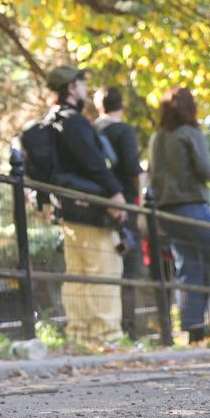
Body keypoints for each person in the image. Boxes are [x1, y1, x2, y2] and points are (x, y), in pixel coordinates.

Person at [147, 88, 210, 344]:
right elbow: (206, 170)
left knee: (188, 267)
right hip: (191, 205)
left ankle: (194, 329)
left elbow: (153, 176)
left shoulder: (157, 138)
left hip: (166, 211)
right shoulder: (191, 133)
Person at [45, 65, 127, 344]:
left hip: (67, 210)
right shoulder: (74, 121)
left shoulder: (51, 120)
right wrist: (115, 194)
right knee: (103, 271)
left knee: (77, 275)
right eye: (81, 83)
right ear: (71, 88)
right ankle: (107, 339)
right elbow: (94, 164)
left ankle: (80, 336)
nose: (84, 89)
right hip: (91, 210)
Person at [93, 87, 145, 339]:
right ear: (120, 106)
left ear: (98, 107)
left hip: (96, 204)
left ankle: (106, 326)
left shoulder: (91, 130)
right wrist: (139, 200)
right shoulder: (123, 131)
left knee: (101, 265)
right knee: (128, 267)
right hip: (124, 205)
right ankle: (128, 330)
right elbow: (132, 168)